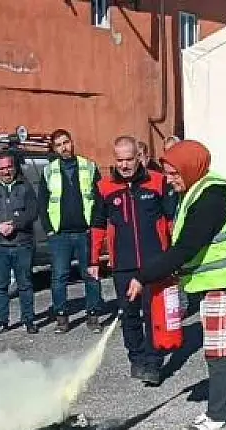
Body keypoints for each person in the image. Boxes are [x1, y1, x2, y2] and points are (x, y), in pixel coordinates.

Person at [128, 140, 226, 430]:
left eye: (174, 173)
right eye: (167, 173)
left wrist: (144, 275)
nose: (169, 179)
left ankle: (220, 413)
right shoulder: (199, 187)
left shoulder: (210, 197)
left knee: (218, 349)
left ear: (191, 168)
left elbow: (187, 246)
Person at [90, 136, 178, 385]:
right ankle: (136, 358)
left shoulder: (158, 182)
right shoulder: (104, 187)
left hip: (155, 262)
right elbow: (97, 225)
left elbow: (172, 221)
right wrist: (94, 260)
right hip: (123, 265)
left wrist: (173, 257)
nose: (124, 165)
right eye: (119, 160)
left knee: (153, 315)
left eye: (129, 159)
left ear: (138, 157)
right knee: (129, 314)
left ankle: (153, 363)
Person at [36, 129, 103, 334]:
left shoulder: (89, 167)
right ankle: (62, 317)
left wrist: (96, 226)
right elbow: (42, 203)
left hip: (85, 232)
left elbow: (99, 199)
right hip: (60, 235)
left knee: (91, 275)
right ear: (54, 149)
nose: (64, 147)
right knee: (59, 277)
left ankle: (93, 316)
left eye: (66, 142)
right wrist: (49, 230)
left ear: (72, 142)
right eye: (59, 145)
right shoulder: (49, 171)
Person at [0, 153, 40, 335]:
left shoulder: (25, 186)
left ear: (13, 167)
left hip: (22, 243)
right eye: (2, 168)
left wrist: (15, 224)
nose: (6, 171)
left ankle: (29, 320)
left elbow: (33, 211)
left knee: (25, 284)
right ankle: (2, 321)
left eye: (8, 167)